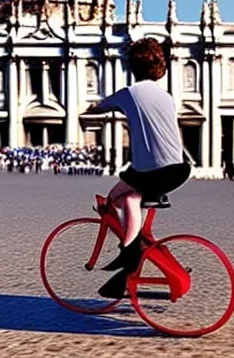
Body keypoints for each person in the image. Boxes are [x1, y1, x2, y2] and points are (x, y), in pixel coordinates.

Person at [86, 38, 191, 299]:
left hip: (152, 170)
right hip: (176, 168)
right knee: (125, 195)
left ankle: (130, 251)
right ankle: (134, 249)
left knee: (122, 197)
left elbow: (98, 107)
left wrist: (95, 108)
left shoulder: (128, 94)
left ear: (132, 66)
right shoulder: (166, 96)